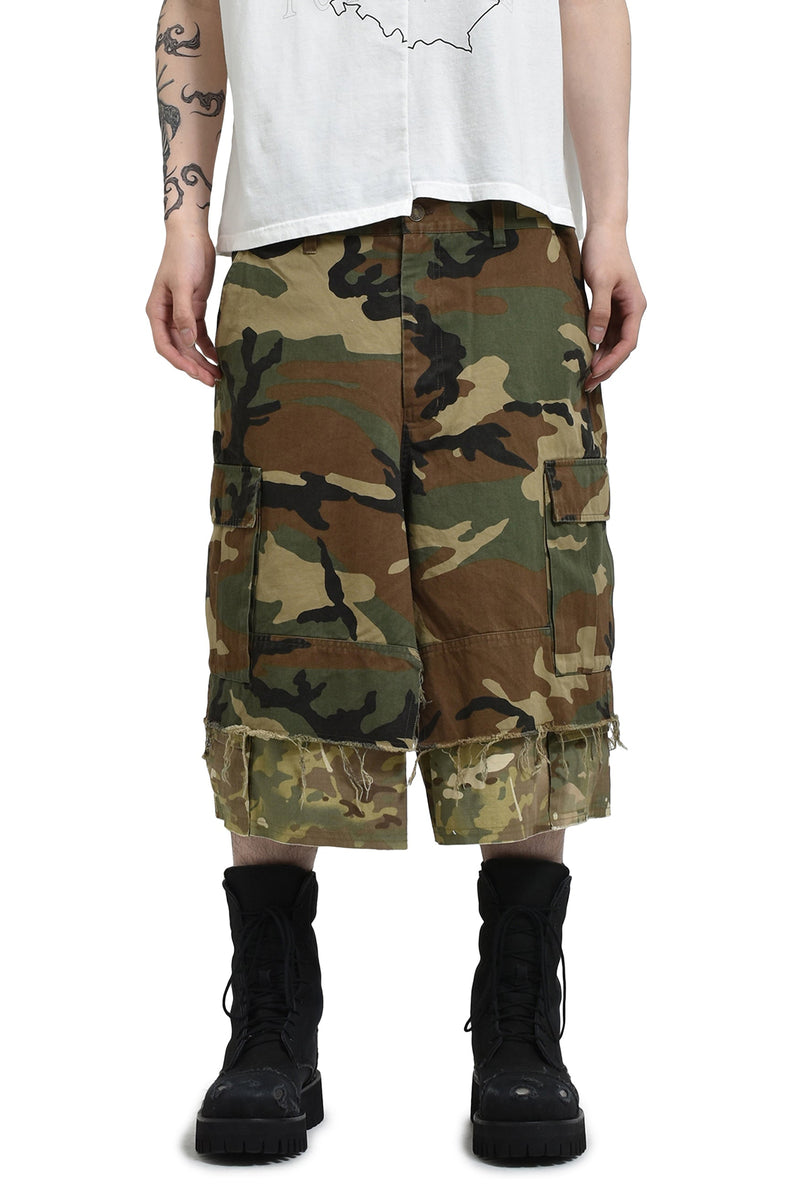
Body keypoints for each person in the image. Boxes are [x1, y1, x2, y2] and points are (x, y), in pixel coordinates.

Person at [146, 0, 646, 1164]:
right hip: (295, 238)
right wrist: (183, 220)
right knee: (285, 619)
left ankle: (518, 1027)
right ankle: (272, 1026)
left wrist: (609, 218)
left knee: (525, 618)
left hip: (510, 230)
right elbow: (191, 10)